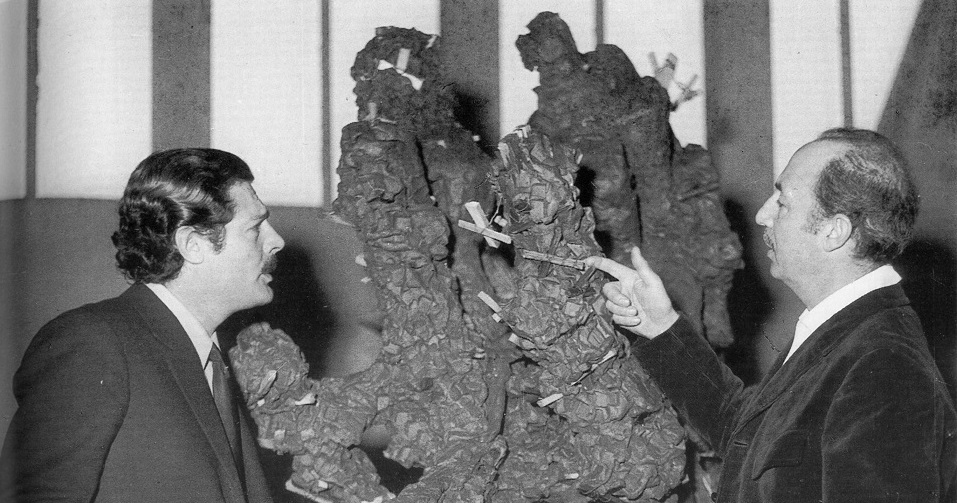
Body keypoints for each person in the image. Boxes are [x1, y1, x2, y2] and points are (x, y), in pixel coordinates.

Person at [586, 128, 956, 502]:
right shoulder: (844, 330)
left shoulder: (887, 369)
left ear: (834, 231)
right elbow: (746, 433)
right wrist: (660, 325)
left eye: (783, 202)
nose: (763, 215)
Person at [0, 149, 284, 502]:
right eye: (255, 228)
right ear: (192, 244)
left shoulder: (212, 364)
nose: (277, 241)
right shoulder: (94, 342)